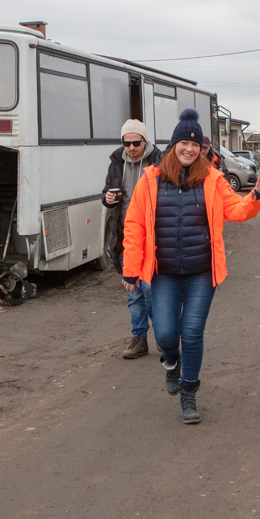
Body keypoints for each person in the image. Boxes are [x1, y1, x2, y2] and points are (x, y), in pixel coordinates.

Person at [122, 109, 260, 424]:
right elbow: (134, 226)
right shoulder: (150, 179)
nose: (189, 149)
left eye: (195, 144)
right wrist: (131, 270)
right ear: (174, 145)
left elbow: (237, 210)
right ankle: (171, 362)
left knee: (191, 333)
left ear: (200, 149)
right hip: (162, 273)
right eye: (184, 143)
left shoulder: (213, 179)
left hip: (201, 273)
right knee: (165, 334)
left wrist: (256, 196)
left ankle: (189, 392)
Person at [102, 119, 162, 359]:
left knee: (150, 290)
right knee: (133, 291)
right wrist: (107, 198)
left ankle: (164, 337)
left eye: (136, 143)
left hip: (153, 238)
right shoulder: (117, 163)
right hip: (126, 237)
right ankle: (139, 338)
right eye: (127, 143)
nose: (131, 148)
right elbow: (106, 192)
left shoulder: (159, 161)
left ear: (145, 141)